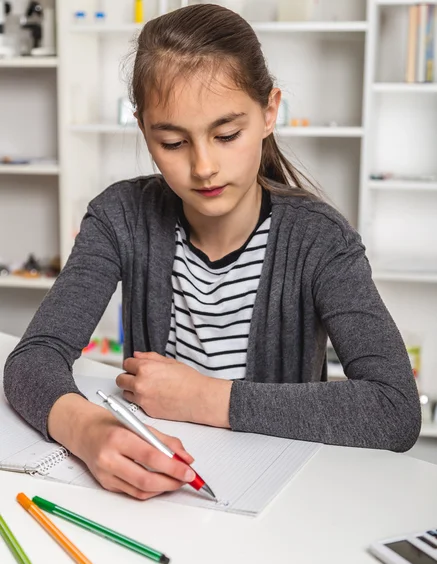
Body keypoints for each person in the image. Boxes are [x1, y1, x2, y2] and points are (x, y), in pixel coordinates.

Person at [4, 4, 420, 501]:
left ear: (269, 112)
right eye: (174, 141)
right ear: (145, 131)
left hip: (277, 502)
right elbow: (33, 358)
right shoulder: (120, 216)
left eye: (227, 135)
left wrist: (205, 398)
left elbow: (395, 409)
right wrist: (86, 429)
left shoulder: (320, 240)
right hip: (160, 498)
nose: (204, 166)